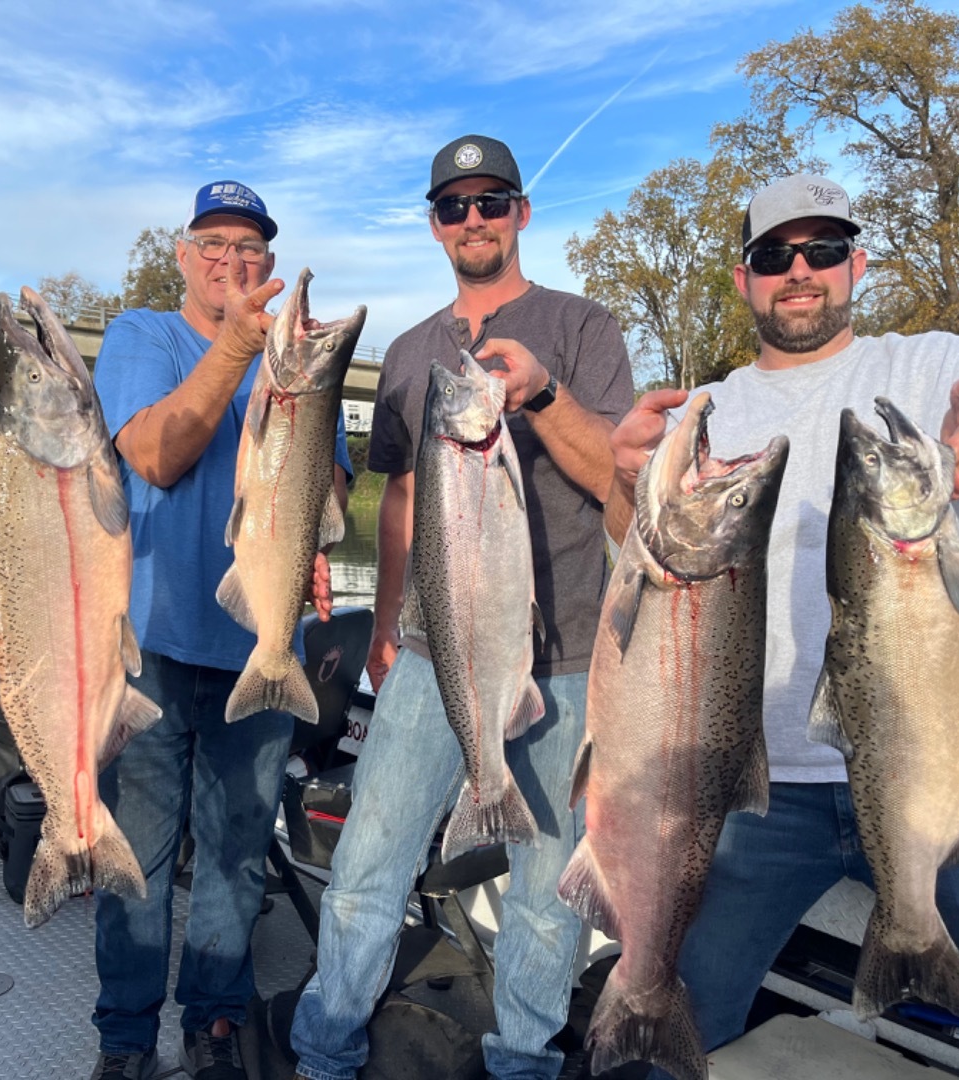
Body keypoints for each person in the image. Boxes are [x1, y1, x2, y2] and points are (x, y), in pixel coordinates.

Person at [604, 174, 959, 1080]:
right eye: (775, 255)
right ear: (744, 278)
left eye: (823, 250)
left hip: (953, 769)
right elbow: (646, 571)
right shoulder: (704, 410)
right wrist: (623, 484)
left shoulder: (931, 362)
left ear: (858, 263)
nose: (800, 271)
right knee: (667, 1015)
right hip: (759, 782)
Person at [291, 135, 634, 1080]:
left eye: (491, 202)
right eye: (454, 206)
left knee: (546, 894)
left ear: (522, 213)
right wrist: (390, 628)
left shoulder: (583, 326)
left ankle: (523, 1060)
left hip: (563, 659)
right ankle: (324, 1050)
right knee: (369, 861)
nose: (474, 220)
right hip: (433, 653)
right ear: (435, 224)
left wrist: (545, 394)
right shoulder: (407, 353)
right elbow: (397, 498)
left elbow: (618, 480)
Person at [88, 181, 354, 1080]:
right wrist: (241, 344)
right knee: (137, 863)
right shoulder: (141, 337)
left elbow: (334, 486)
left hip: (257, 652)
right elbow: (157, 453)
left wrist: (319, 517)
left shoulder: (299, 364)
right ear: (182, 255)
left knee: (238, 861)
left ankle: (212, 1027)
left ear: (269, 265)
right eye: (214, 243)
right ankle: (125, 1039)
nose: (232, 260)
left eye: (250, 248)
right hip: (150, 652)